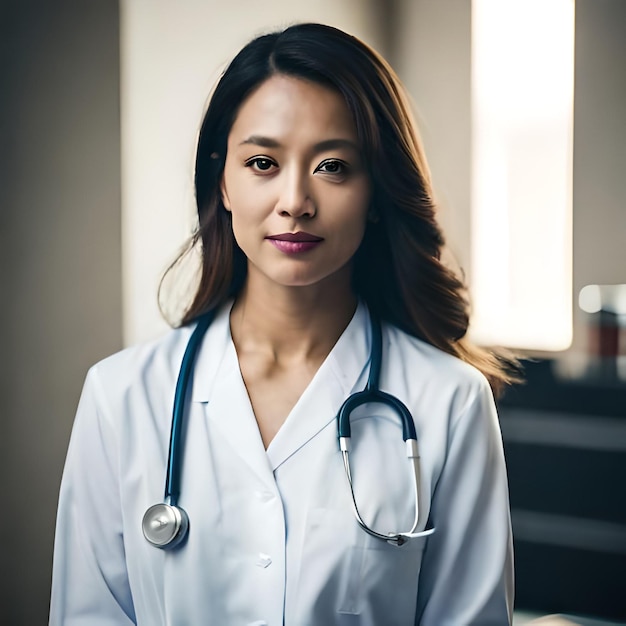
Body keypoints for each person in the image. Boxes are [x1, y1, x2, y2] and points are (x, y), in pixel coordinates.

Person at [50, 22, 519, 626]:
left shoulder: (449, 403)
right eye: (263, 162)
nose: (296, 200)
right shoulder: (121, 397)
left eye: (333, 166)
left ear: (376, 190)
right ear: (222, 180)